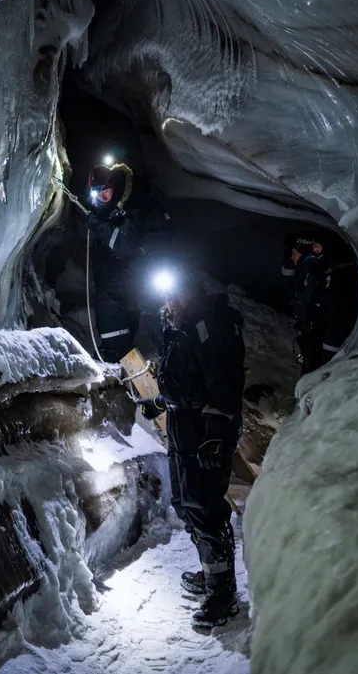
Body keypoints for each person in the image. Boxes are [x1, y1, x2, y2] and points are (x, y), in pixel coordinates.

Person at [134, 266, 245, 628]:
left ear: (194, 294)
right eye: (166, 297)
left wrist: (216, 431)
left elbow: (224, 382)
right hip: (183, 426)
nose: (170, 303)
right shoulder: (178, 328)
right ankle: (210, 571)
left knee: (205, 505)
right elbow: (184, 378)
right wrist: (163, 402)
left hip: (205, 427)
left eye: (177, 296)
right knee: (185, 503)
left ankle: (223, 593)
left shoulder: (211, 325)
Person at [85, 162, 172, 362]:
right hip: (135, 268)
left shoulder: (136, 203)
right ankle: (117, 351)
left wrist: (98, 226)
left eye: (105, 191)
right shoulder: (114, 205)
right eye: (97, 193)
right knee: (111, 299)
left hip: (154, 265)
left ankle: (175, 357)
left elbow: (126, 243)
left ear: (113, 185)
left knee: (154, 308)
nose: (102, 196)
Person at [283, 233, 358, 374]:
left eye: (295, 252)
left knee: (313, 369)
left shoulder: (326, 277)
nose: (292, 255)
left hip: (321, 337)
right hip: (314, 334)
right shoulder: (309, 270)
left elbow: (335, 315)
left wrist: (329, 351)